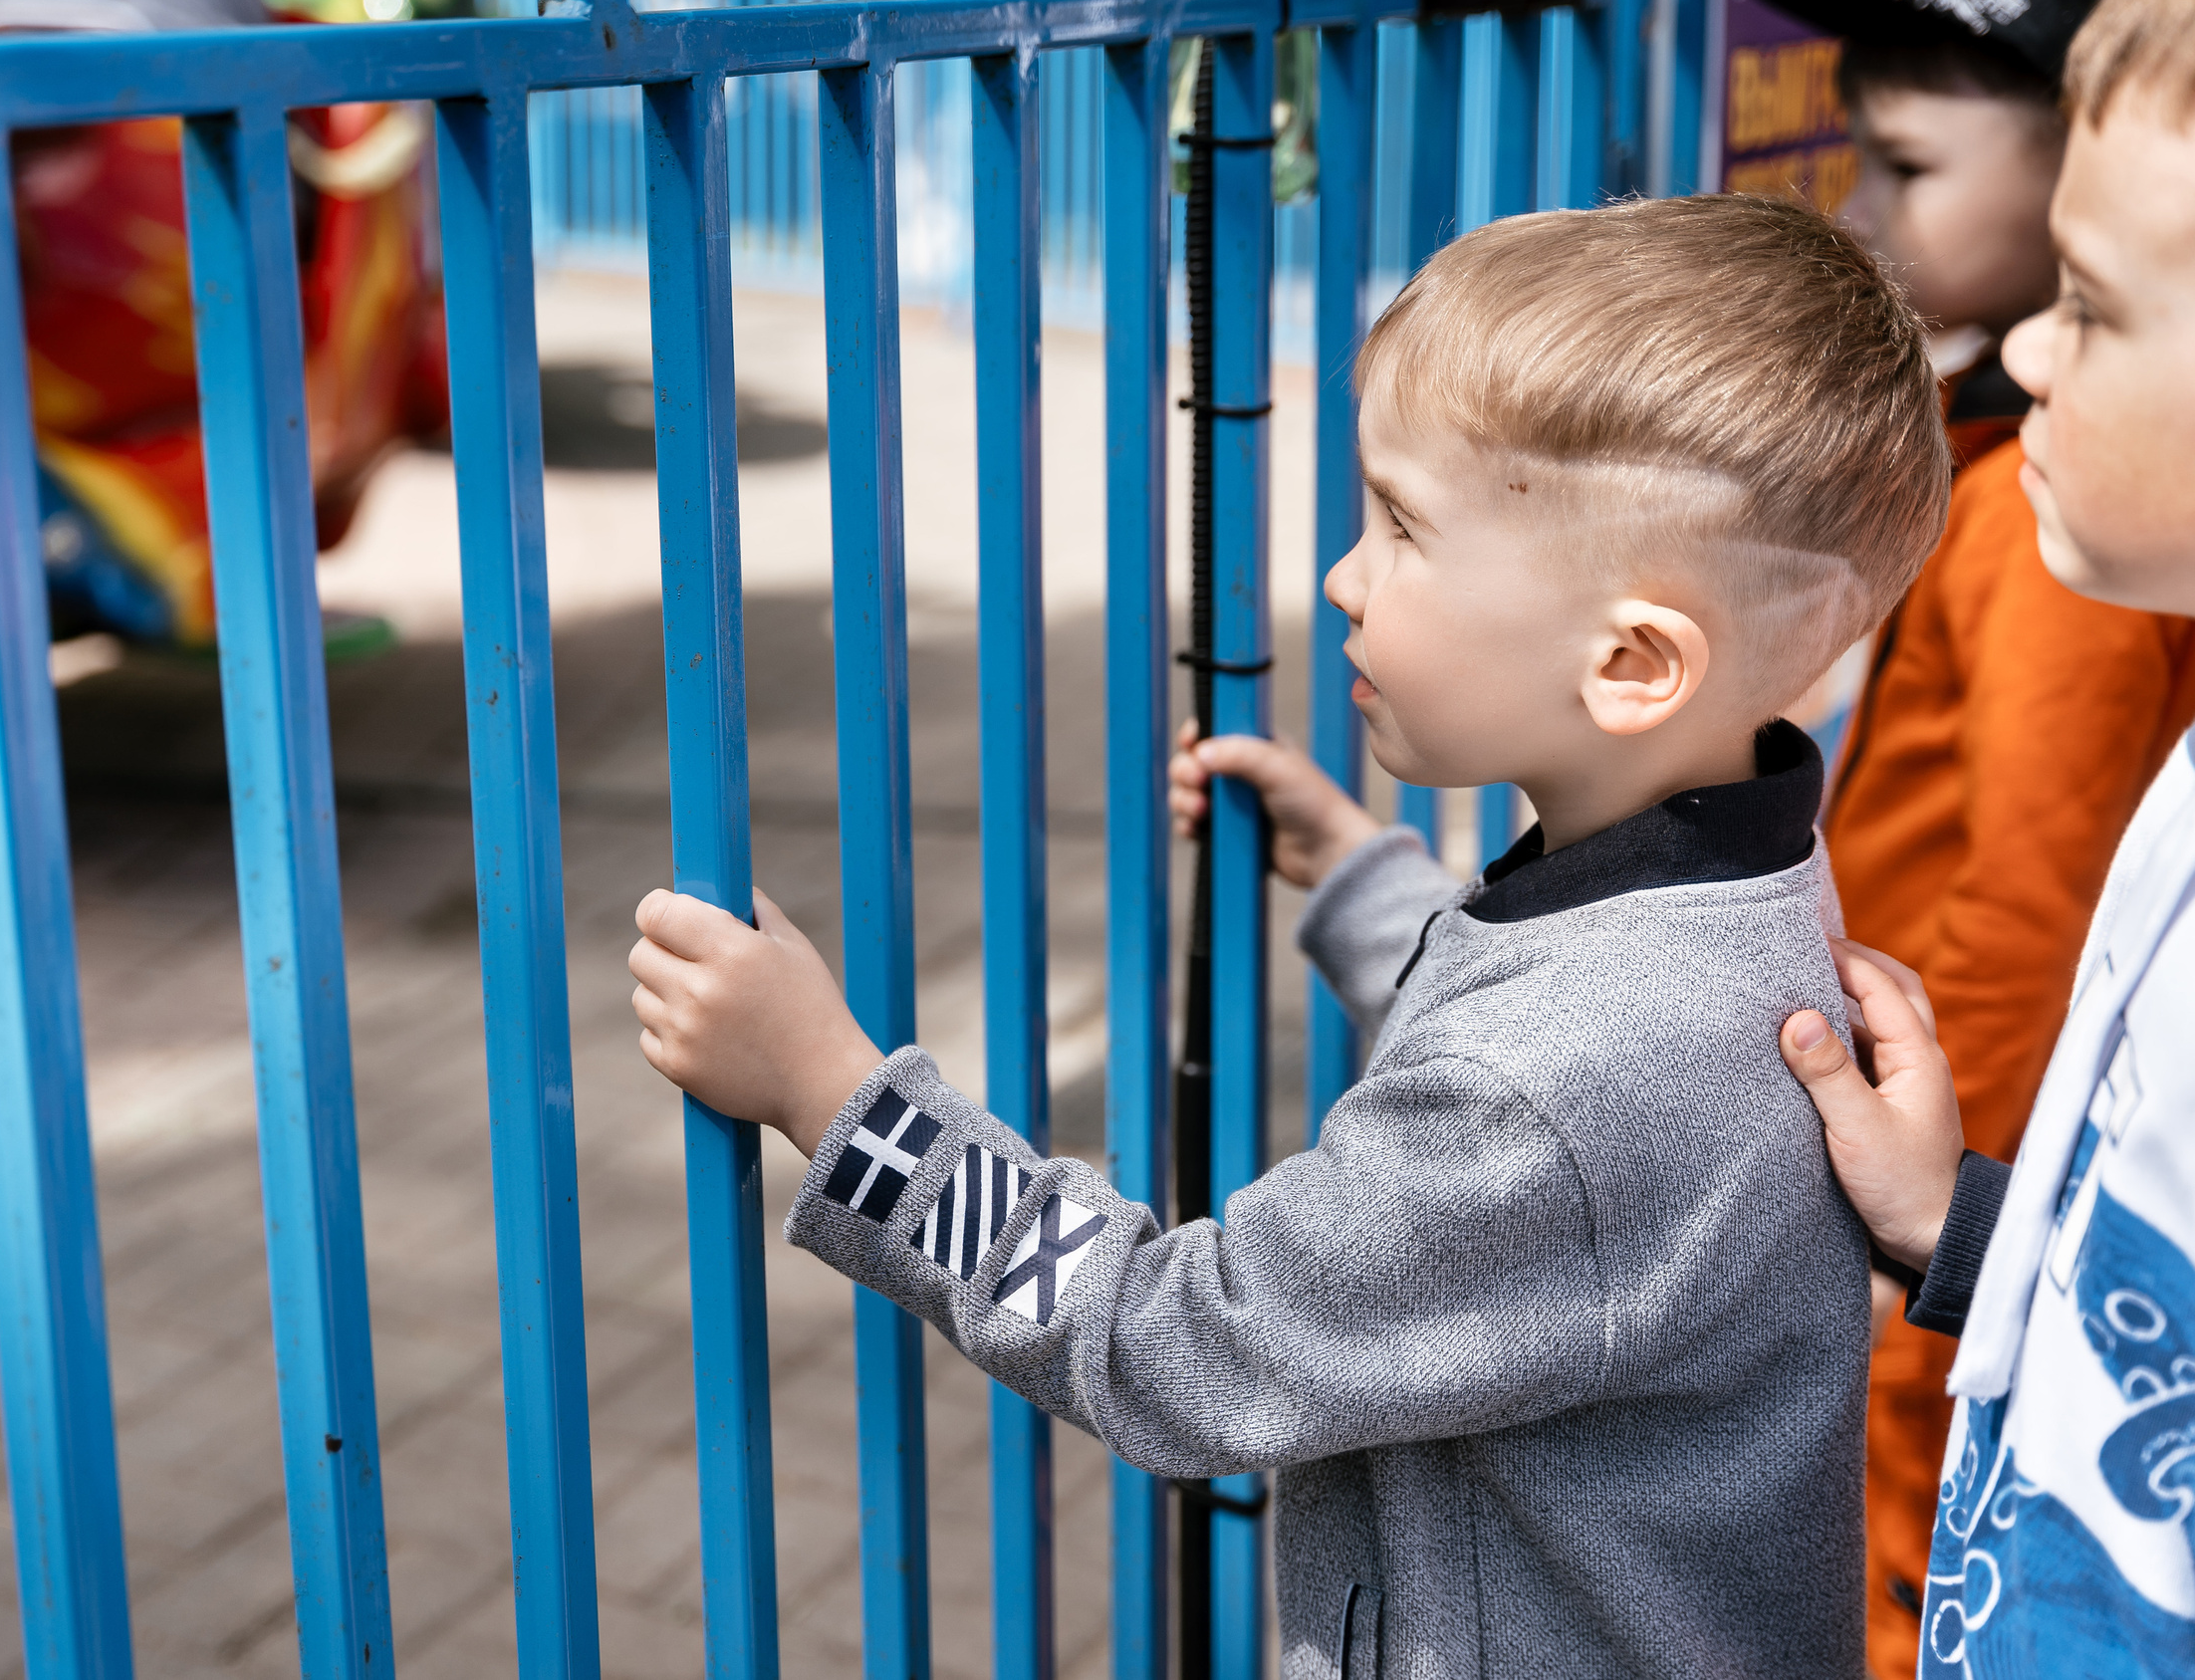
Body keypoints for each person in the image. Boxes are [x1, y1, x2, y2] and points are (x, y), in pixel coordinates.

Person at [630, 195, 1950, 1678]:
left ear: (1633, 662)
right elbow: (1540, 1026)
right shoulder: (1731, 895)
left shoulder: (1560, 1090)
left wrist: (836, 1097)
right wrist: (1357, 872)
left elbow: (1178, 1344)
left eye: (1402, 527)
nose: (1343, 577)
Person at [1740, 0, 2195, 1666]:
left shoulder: (2062, 539)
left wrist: (1916, 1253)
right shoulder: (2040, 476)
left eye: (2097, 298)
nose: (2031, 344)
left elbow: (2022, 912)